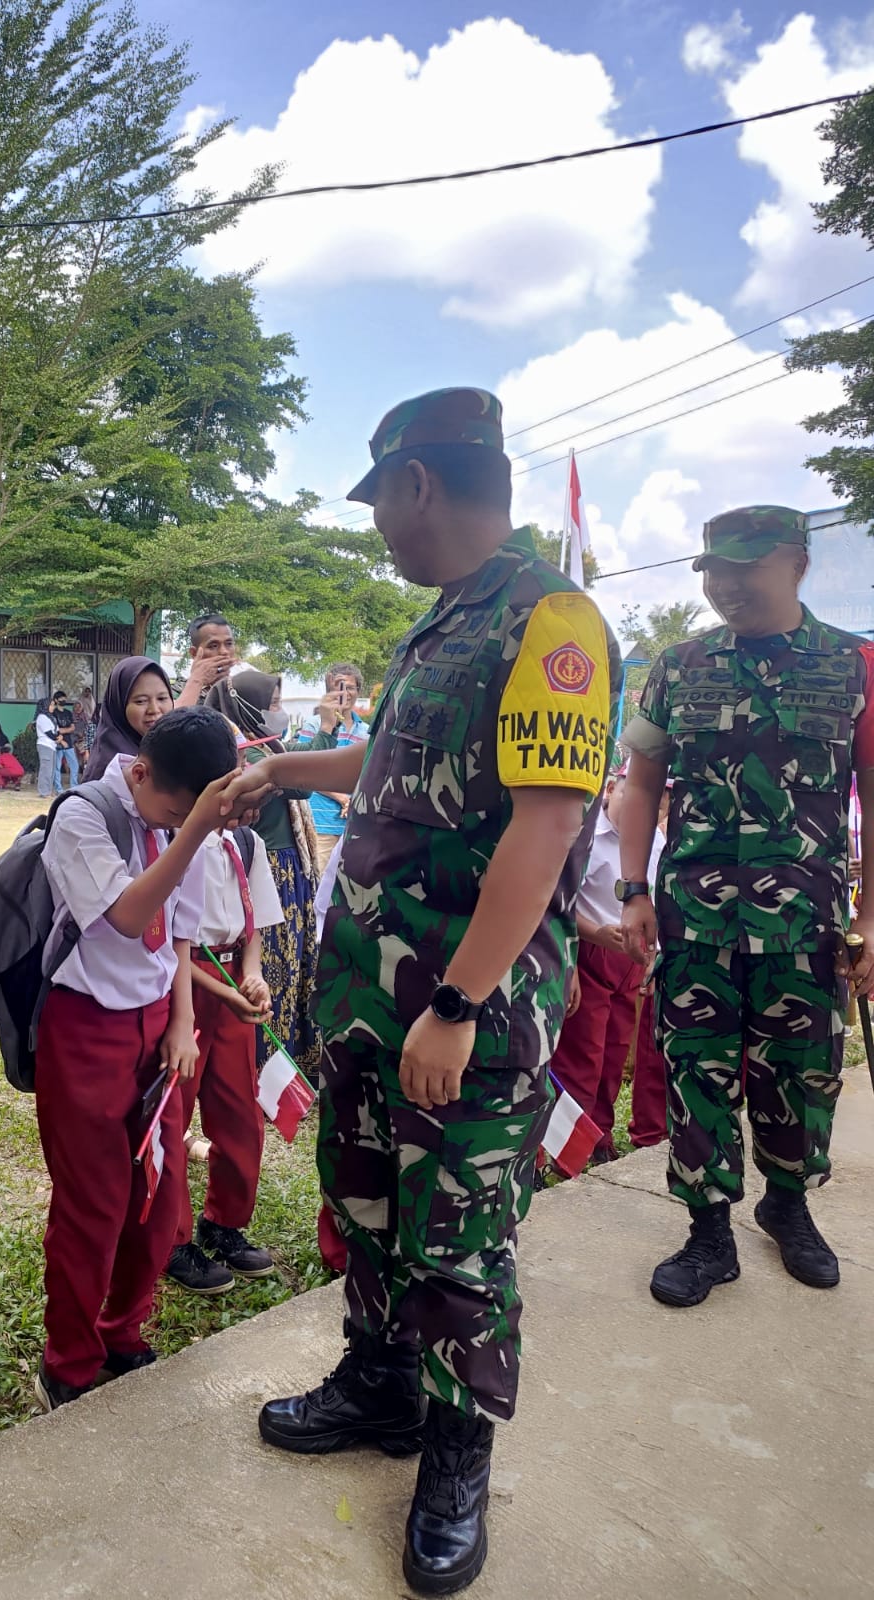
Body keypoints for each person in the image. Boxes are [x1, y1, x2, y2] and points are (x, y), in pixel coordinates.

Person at [223, 388, 620, 1596]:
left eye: (381, 501)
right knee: (370, 1203)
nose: (380, 528)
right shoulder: (441, 624)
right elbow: (394, 759)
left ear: (420, 485)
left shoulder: (552, 621)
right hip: (367, 991)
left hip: (462, 1004)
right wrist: (287, 765)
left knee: (458, 1235)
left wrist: (456, 1003)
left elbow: (546, 827)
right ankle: (381, 1385)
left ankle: (455, 1453)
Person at [618, 505, 874, 1309]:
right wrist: (631, 888)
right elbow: (640, 784)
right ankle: (707, 1232)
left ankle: (788, 1205)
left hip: (807, 921)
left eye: (745, 567)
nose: (726, 584)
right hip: (694, 917)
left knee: (801, 1078)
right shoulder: (680, 665)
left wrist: (873, 923)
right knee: (697, 1073)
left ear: (796, 562)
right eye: (713, 570)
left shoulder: (854, 665)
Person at [32, 708, 240, 1409]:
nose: (181, 823)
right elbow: (127, 915)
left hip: (159, 1030)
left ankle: (122, 1329)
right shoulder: (84, 817)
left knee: (158, 1194)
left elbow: (179, 934)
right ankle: (70, 1357)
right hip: (87, 1026)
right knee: (93, 1202)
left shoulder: (188, 818)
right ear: (141, 771)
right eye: (174, 811)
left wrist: (183, 1024)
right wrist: (193, 832)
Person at [166, 822, 284, 1294]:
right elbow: (172, 942)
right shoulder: (172, 838)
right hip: (181, 979)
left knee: (240, 1111)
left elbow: (252, 927)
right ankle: (170, 1240)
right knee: (173, 1112)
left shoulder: (247, 843)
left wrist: (253, 976)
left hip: (231, 978)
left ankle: (223, 1222)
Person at [547, 766, 669, 1169]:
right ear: (611, 789)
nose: (650, 804)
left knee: (614, 1055)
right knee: (582, 1055)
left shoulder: (656, 843)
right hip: (590, 953)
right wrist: (588, 944)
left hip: (631, 961)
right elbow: (558, 904)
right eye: (634, 792)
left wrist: (652, 959)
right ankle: (563, 1153)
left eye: (661, 797)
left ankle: (597, 1136)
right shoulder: (584, 837)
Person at [206, 670, 321, 1078]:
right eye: (271, 703)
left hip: (291, 867)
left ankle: (287, 1061)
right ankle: (264, 1063)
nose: (277, 711)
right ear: (247, 705)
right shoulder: (246, 750)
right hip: (268, 868)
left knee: (291, 969)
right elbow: (303, 784)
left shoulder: (267, 748)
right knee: (271, 970)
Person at [296, 663, 369, 874]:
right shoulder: (314, 725)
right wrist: (341, 798)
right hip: (320, 824)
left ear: (358, 692)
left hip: (353, 827)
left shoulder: (366, 733)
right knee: (317, 886)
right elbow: (305, 771)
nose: (344, 693)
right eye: (339, 686)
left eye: (350, 688)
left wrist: (353, 799)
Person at [83, 656, 175, 783]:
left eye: (162, 698)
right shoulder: (112, 768)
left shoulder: (165, 750)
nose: (154, 709)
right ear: (119, 705)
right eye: (141, 701)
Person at [175, 613, 236, 708]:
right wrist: (197, 681)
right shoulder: (174, 692)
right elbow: (172, 720)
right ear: (194, 653)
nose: (224, 652)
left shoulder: (242, 689)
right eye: (214, 646)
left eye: (228, 644)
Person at [51, 690, 79, 792]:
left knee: (74, 766)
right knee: (57, 767)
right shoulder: (53, 713)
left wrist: (63, 730)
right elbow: (55, 729)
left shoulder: (68, 713)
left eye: (64, 698)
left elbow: (72, 727)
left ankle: (74, 787)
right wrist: (64, 730)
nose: (64, 700)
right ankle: (59, 789)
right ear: (56, 700)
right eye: (61, 698)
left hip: (69, 743)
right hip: (57, 743)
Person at [35, 695, 58, 799]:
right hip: (45, 745)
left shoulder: (51, 718)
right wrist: (58, 738)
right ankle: (44, 791)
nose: (53, 707)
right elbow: (51, 734)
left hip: (52, 746)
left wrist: (58, 737)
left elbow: (56, 732)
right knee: (46, 769)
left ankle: (48, 790)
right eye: (52, 705)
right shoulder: (42, 717)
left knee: (51, 769)